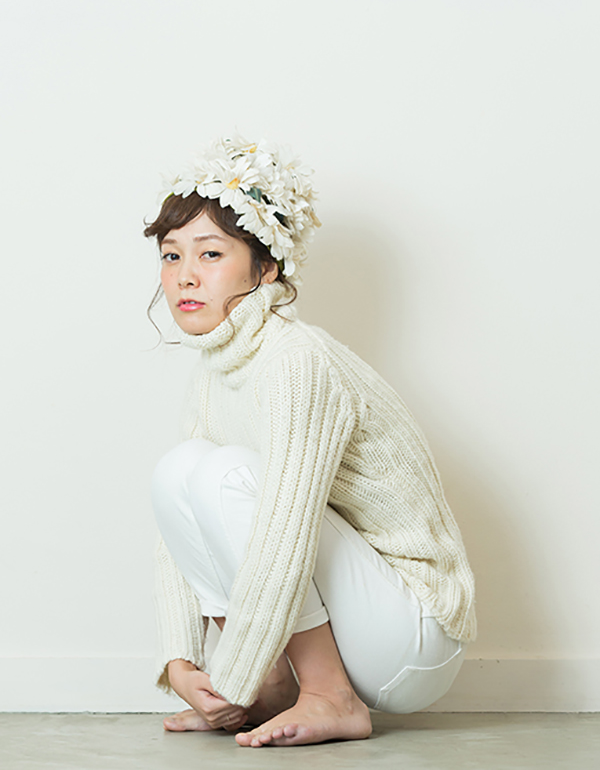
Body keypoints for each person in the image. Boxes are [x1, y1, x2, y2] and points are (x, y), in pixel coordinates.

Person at [145, 135, 476, 748]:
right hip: (354, 623)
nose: (185, 276)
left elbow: (287, 524)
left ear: (266, 268)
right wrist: (183, 662)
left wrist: (233, 668)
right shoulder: (214, 372)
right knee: (179, 469)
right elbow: (179, 532)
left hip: (414, 633)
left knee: (227, 477)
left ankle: (330, 695)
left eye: (210, 253)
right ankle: (265, 691)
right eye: (171, 255)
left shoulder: (296, 360)